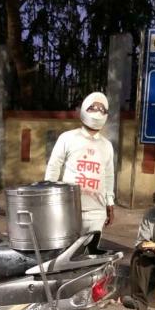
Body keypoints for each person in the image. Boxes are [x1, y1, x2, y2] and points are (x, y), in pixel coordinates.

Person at [45, 92, 115, 242]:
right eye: (93, 107)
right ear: (84, 109)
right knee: (67, 250)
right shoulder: (67, 138)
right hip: (69, 207)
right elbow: (54, 167)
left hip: (97, 211)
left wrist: (110, 202)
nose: (97, 111)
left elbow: (109, 175)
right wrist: (49, 196)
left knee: (90, 251)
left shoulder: (107, 145)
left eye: (101, 108)